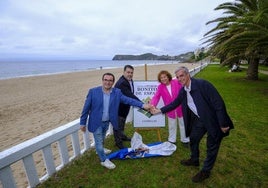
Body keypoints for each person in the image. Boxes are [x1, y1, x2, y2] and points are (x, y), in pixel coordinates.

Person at [151, 66, 234, 183]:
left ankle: (205, 171)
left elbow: (218, 103)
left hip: (214, 121)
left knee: (212, 146)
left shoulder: (202, 84)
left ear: (188, 75)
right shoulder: (183, 90)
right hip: (201, 119)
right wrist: (159, 110)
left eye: (182, 76)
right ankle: (194, 159)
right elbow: (174, 103)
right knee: (193, 138)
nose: (180, 79)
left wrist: (223, 123)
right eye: (178, 77)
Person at [80, 72, 151, 169]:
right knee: (99, 142)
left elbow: (128, 100)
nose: (107, 82)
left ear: (113, 82)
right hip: (96, 122)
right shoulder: (93, 92)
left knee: (102, 137)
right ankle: (104, 160)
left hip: (107, 121)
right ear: (102, 80)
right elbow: (86, 108)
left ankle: (99, 148)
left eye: (110, 80)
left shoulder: (117, 92)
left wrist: (142, 105)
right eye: (105, 80)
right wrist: (82, 122)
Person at [150, 70, 189, 146]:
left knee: (183, 123)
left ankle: (185, 140)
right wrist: (152, 105)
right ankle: (172, 140)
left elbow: (185, 88)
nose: (163, 79)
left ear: (168, 77)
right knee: (171, 125)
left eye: (165, 77)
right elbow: (156, 97)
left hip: (180, 107)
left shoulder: (176, 82)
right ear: (160, 79)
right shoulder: (160, 87)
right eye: (161, 78)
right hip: (170, 109)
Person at [114, 65, 141, 149]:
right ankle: (118, 143)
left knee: (122, 124)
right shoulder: (122, 83)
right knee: (117, 126)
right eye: (128, 72)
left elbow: (131, 92)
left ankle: (122, 136)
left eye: (131, 73)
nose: (130, 74)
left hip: (125, 107)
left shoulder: (129, 80)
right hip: (118, 108)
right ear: (124, 72)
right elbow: (130, 96)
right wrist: (142, 104)